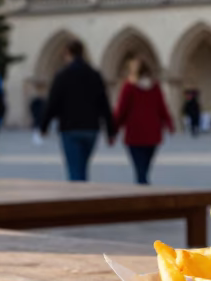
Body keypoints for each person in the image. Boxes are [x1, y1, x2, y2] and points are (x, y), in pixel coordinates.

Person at [41, 40, 115, 182]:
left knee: (75, 170)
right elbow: (104, 103)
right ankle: (84, 195)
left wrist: (44, 125)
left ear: (68, 54)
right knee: (82, 167)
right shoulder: (94, 74)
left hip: (70, 128)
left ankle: (79, 199)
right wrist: (110, 130)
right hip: (91, 128)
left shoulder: (62, 75)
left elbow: (52, 102)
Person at [112, 58, 173, 185]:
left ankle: (143, 190)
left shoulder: (128, 87)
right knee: (144, 168)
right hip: (153, 134)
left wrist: (113, 129)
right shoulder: (155, 87)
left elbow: (121, 110)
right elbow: (162, 107)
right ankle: (144, 186)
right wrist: (169, 123)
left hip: (135, 134)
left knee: (140, 170)